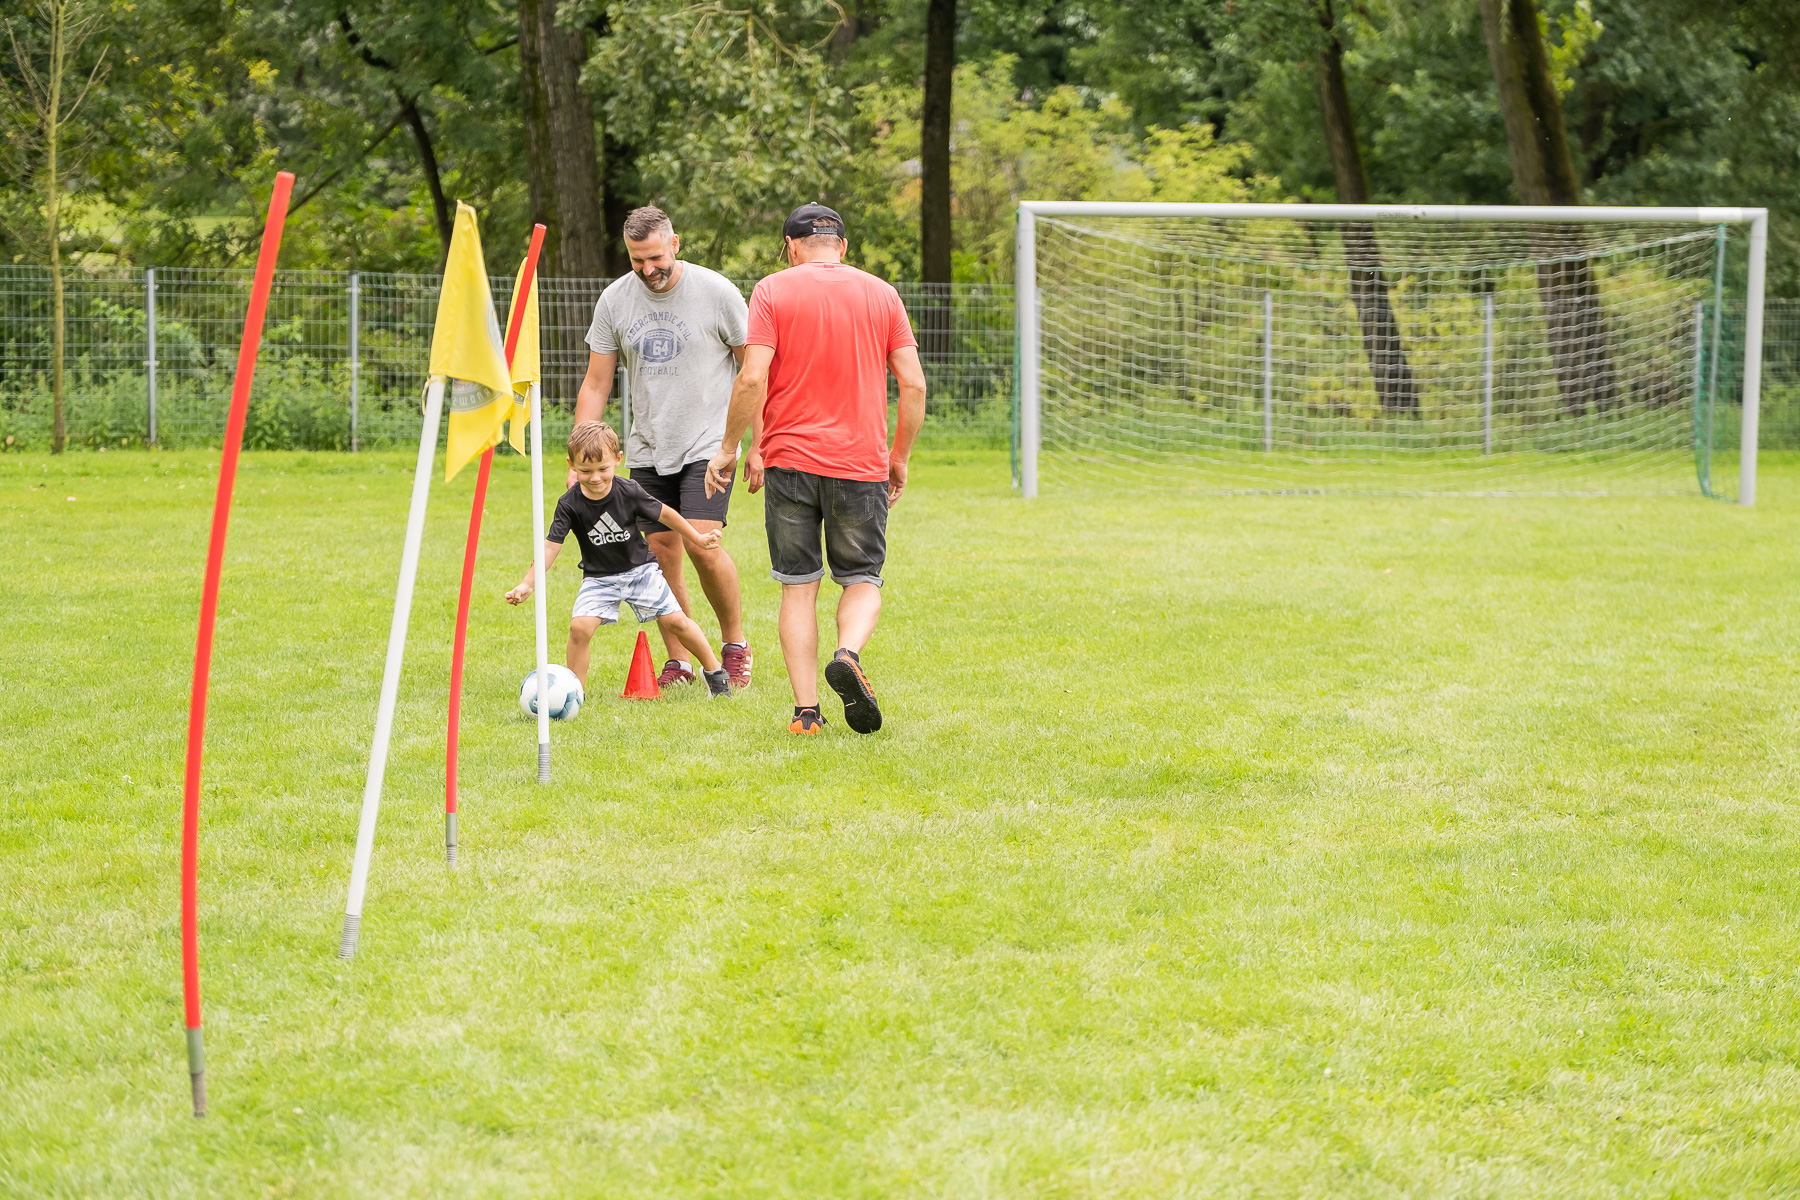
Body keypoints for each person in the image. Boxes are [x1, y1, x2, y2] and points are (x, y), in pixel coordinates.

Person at [705, 204, 926, 736]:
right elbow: (914, 386)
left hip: (790, 465)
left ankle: (806, 714)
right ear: (843, 247)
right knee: (862, 578)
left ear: (791, 245)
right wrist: (897, 458)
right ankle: (846, 653)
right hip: (859, 463)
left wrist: (731, 447)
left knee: (798, 587)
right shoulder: (882, 294)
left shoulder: (772, 291)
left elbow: (752, 378)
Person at [573, 205, 757, 694]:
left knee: (703, 542)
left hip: (709, 446)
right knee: (658, 553)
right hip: (648, 448)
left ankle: (734, 646)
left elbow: (754, 375)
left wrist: (756, 445)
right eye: (637, 261)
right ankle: (680, 660)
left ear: (675, 244)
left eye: (655, 258)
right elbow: (596, 382)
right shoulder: (615, 300)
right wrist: (579, 457)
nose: (648, 270)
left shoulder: (717, 292)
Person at [508, 421, 732, 700]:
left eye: (603, 469)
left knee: (677, 622)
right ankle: (573, 692)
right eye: (585, 471)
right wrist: (529, 583)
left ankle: (714, 673)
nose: (595, 478)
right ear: (571, 464)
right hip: (598, 579)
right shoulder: (569, 503)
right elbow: (551, 546)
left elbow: (666, 515)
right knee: (579, 627)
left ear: (617, 459)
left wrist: (697, 538)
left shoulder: (629, 491)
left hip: (641, 572)